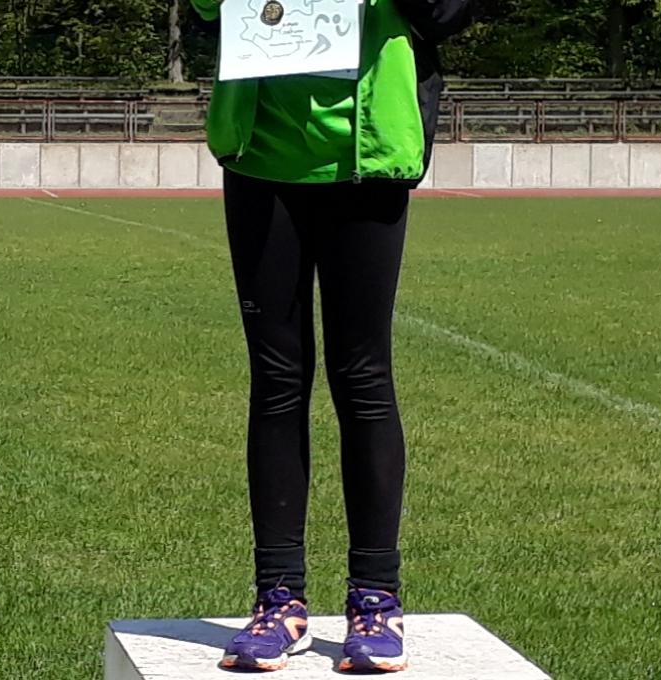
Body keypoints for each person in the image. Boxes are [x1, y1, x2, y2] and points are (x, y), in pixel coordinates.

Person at [188, 0, 472, 671]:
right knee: (277, 382)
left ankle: (376, 599)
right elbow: (206, 8)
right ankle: (278, 600)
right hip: (262, 157)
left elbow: (448, 13)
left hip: (369, 157)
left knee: (363, 376)